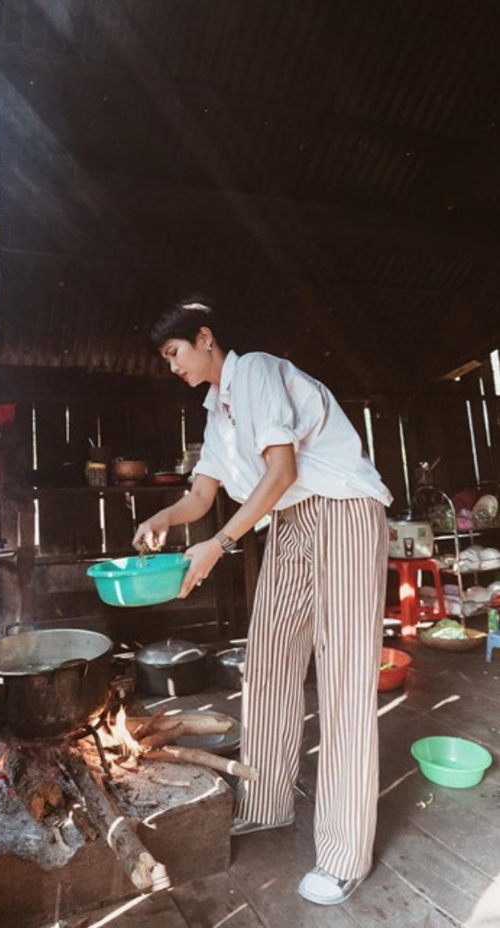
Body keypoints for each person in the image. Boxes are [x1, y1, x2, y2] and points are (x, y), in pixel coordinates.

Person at [132, 298, 392, 906]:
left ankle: (344, 854)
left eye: (174, 352)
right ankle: (268, 801)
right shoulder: (215, 411)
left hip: (345, 510)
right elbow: (202, 496)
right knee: (269, 660)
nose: (172, 366)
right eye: (166, 359)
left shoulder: (257, 372)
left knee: (344, 675)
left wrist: (219, 545)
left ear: (205, 337)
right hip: (292, 523)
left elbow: (281, 472)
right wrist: (166, 517)